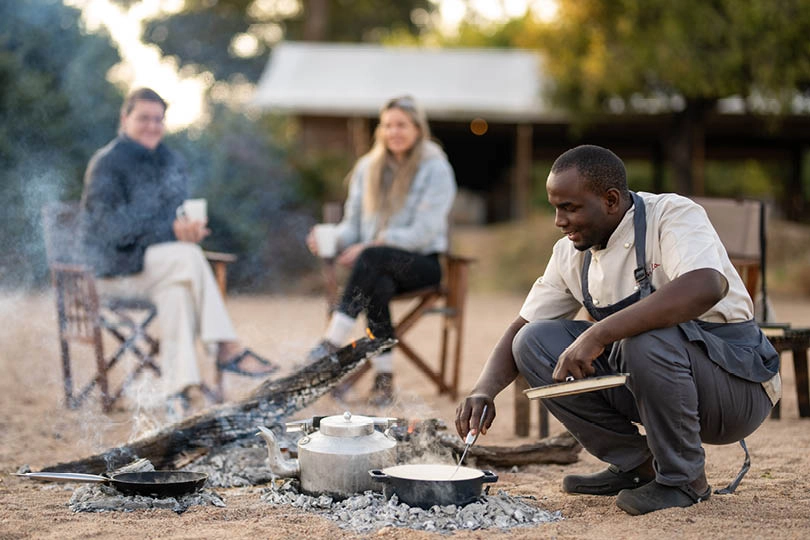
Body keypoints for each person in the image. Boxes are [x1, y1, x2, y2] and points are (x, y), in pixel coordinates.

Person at [455, 145, 780, 515]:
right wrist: (483, 390)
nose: (558, 221)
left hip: (734, 387)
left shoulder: (672, 215)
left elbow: (706, 284)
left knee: (645, 336)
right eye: (555, 208)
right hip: (651, 377)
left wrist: (597, 334)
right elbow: (523, 326)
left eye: (570, 208)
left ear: (610, 200)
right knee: (532, 343)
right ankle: (638, 466)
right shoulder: (569, 253)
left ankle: (684, 480)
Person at [80, 87, 276, 412]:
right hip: (110, 272)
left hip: (160, 271)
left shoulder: (170, 161)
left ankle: (178, 392)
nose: (152, 126)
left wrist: (186, 230)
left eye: (158, 119)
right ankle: (226, 346)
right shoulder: (106, 164)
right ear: (124, 118)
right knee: (187, 259)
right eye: (144, 118)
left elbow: (172, 221)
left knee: (178, 290)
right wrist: (170, 232)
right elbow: (110, 230)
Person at [306, 95, 457, 406]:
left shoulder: (435, 167)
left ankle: (333, 341)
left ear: (417, 128)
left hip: (422, 263)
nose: (394, 132)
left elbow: (423, 232)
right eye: (387, 125)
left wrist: (374, 243)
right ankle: (384, 380)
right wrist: (329, 238)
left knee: (372, 259)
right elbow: (352, 227)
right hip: (375, 266)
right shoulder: (367, 167)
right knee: (377, 283)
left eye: (401, 125)